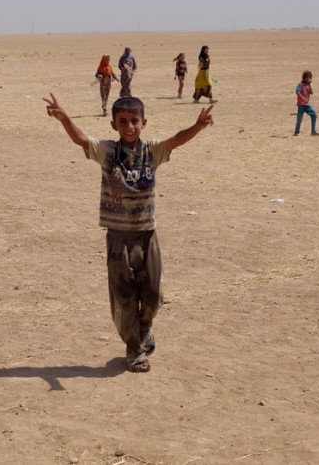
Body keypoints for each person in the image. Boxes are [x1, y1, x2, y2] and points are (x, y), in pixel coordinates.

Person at [43, 92, 214, 373]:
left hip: (147, 234)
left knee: (153, 292)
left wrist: (197, 126)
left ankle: (144, 327)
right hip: (118, 236)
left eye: (134, 121)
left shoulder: (151, 152)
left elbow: (176, 140)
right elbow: (82, 140)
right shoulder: (109, 152)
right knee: (123, 297)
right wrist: (65, 119)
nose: (129, 127)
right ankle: (134, 349)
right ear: (114, 125)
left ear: (144, 123)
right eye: (123, 122)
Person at [294, 70, 319, 136]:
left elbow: (311, 92)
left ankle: (313, 131)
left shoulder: (307, 85)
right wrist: (302, 97)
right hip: (301, 105)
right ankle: (296, 132)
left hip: (306, 105)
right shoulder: (301, 85)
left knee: (314, 115)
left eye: (310, 78)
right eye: (307, 78)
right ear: (304, 78)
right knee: (299, 118)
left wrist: (309, 84)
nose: (308, 79)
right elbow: (297, 91)